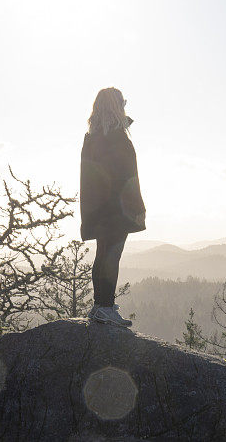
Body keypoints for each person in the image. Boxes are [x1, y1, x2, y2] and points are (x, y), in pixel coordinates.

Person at [79, 87, 146, 326]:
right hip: (116, 210)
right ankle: (105, 306)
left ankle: (101, 305)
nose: (125, 106)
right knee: (111, 256)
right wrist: (136, 207)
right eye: (123, 102)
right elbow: (126, 177)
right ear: (115, 106)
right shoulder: (115, 137)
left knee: (103, 254)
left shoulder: (94, 137)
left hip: (99, 209)